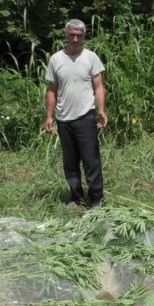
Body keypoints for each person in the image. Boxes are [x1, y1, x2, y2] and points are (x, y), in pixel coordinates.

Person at [45, 19, 107, 208]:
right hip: (64, 119)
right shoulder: (56, 59)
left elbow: (98, 87)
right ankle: (76, 197)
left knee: (91, 159)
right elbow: (51, 90)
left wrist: (101, 110)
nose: (75, 38)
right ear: (65, 34)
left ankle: (96, 199)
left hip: (85, 117)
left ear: (83, 36)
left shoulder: (91, 57)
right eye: (71, 34)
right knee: (70, 162)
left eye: (79, 35)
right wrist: (49, 116)